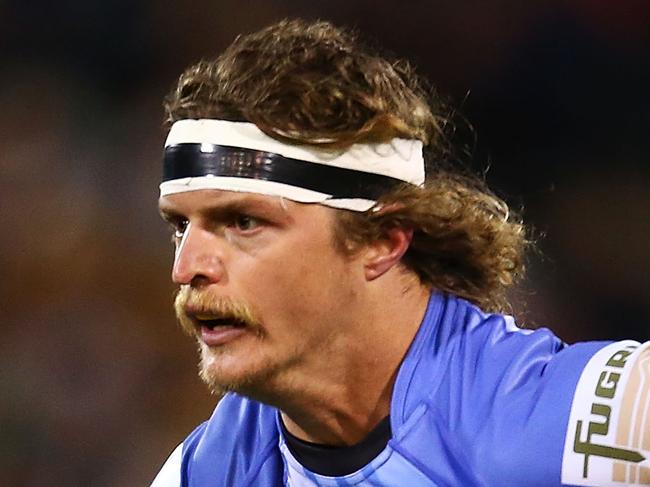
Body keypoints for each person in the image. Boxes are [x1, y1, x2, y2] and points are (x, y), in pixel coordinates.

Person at [151, 19, 649, 487]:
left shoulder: (581, 425)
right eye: (180, 226)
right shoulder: (206, 472)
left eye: (243, 222)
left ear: (382, 240)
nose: (187, 267)